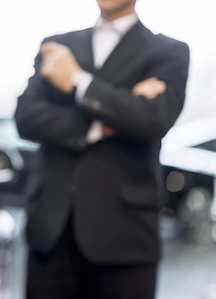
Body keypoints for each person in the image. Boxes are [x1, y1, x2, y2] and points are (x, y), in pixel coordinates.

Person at [14, 0, 190, 298]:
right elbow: (27, 118)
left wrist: (77, 80)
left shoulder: (168, 52)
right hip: (51, 231)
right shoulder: (57, 47)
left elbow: (152, 120)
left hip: (125, 238)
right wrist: (108, 119)